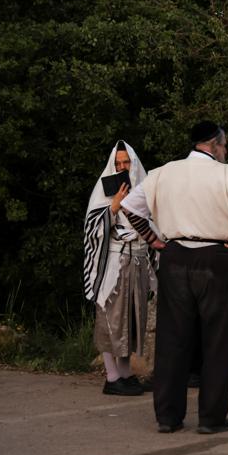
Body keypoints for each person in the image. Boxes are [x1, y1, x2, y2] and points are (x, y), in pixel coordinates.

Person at [121, 121, 228, 434]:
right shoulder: (227, 175)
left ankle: (168, 417)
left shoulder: (163, 173)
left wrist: (153, 239)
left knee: (172, 339)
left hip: (175, 257)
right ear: (214, 144)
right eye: (224, 145)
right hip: (217, 258)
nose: (226, 151)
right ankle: (212, 418)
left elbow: (129, 207)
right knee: (217, 340)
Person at [83, 141, 157, 396]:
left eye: (127, 162)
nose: (123, 167)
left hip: (138, 261)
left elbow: (155, 224)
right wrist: (113, 207)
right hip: (115, 263)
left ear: (133, 164)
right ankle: (111, 376)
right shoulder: (103, 192)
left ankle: (125, 373)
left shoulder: (144, 188)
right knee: (111, 318)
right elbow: (91, 229)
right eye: (118, 163)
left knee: (131, 318)